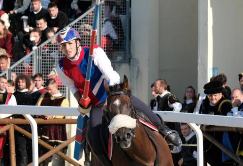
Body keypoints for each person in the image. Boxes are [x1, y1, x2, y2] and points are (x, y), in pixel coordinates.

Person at [55, 27, 182, 165]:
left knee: (145, 110)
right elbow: (73, 88)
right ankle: (104, 163)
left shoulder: (95, 52)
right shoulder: (61, 67)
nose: (67, 48)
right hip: (96, 104)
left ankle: (165, 131)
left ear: (77, 42)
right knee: (93, 137)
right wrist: (81, 102)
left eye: (70, 43)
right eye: (64, 45)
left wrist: (109, 99)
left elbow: (112, 75)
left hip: (114, 95)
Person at [36, 78, 69, 166]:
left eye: (50, 89)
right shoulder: (44, 95)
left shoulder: (64, 99)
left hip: (56, 131)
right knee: (42, 155)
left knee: (59, 155)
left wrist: (52, 116)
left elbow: (62, 113)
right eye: (47, 89)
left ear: (56, 86)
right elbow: (37, 108)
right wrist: (43, 115)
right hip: (43, 130)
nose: (49, 91)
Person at [199, 81, 232, 165]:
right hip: (207, 143)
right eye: (210, 95)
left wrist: (210, 123)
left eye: (215, 95)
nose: (212, 98)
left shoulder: (225, 104)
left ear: (221, 94)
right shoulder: (204, 104)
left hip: (221, 143)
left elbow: (225, 120)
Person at [13, 74, 34, 165]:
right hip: (13, 124)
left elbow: (29, 111)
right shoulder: (14, 95)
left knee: (22, 148)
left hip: (24, 126)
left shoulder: (29, 96)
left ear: (27, 83)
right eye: (19, 81)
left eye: (22, 82)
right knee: (14, 148)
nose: (20, 83)